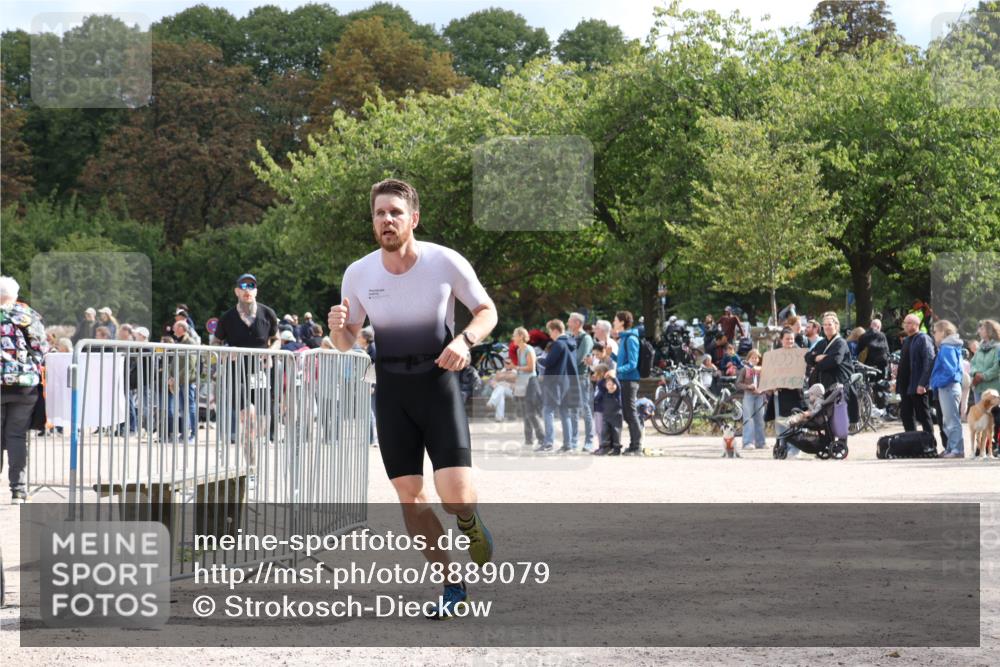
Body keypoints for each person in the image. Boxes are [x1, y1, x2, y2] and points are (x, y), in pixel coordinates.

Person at [327, 178, 497, 619]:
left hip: (438, 382)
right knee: (410, 497)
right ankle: (451, 582)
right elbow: (349, 341)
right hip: (392, 391)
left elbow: (486, 310)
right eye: (379, 213)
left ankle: (467, 520)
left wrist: (465, 340)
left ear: (413, 219)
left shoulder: (445, 262)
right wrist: (336, 329)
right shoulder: (359, 272)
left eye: (395, 213)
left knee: (455, 497)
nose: (386, 220)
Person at [212, 272, 280, 469]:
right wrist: (226, 351)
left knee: (260, 424)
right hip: (237, 374)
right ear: (236, 291)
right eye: (243, 286)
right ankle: (251, 467)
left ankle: (253, 463)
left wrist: (272, 351)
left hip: (262, 374)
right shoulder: (227, 317)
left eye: (251, 286)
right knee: (248, 417)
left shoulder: (268, 313)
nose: (247, 290)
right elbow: (216, 342)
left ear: (256, 291)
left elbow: (276, 339)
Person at [1, 276, 48, 504]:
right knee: (17, 436)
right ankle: (18, 490)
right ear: (16, 294)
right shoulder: (29, 315)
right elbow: (42, 346)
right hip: (25, 384)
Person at [538, 319, 580, 453]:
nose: (549, 334)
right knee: (564, 413)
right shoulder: (571, 343)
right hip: (568, 383)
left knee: (547, 411)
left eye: (550, 331)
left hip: (555, 383)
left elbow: (549, 362)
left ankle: (549, 443)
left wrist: (538, 358)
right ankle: (568, 444)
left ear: (556, 330)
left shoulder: (558, 344)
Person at [896, 313, 936, 436]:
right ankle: (912, 442)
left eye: (908, 323)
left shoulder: (923, 338)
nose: (905, 326)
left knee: (923, 415)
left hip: (918, 385)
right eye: (905, 323)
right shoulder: (907, 340)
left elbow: (929, 361)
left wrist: (923, 383)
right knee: (906, 415)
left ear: (916, 325)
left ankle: (930, 443)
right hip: (906, 386)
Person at [930, 320, 965, 458]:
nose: (933, 334)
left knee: (951, 420)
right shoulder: (950, 346)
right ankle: (951, 448)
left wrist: (936, 382)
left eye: (935, 331)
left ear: (943, 332)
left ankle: (957, 449)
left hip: (948, 387)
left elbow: (950, 371)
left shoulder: (947, 348)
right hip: (949, 387)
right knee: (947, 420)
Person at [611, 310, 643, 455]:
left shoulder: (631, 339)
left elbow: (632, 364)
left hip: (630, 381)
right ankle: (633, 445)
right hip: (624, 380)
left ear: (622, 322)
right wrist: (610, 354)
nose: (613, 322)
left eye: (615, 320)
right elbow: (622, 361)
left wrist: (617, 371)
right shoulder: (623, 338)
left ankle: (637, 446)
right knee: (628, 414)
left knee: (631, 413)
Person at [771, 327, 806, 457]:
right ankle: (782, 446)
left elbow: (802, 373)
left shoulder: (799, 353)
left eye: (792, 339)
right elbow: (771, 373)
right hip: (780, 393)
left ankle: (795, 449)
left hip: (795, 392)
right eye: (787, 339)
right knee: (781, 421)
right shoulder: (776, 354)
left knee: (795, 420)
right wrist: (773, 384)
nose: (790, 341)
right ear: (781, 340)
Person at [166, 319, 199, 444]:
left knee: (190, 407)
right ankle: (185, 434)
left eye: (175, 327)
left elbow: (190, 364)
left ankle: (194, 434)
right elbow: (173, 362)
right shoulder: (178, 342)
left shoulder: (190, 342)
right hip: (179, 380)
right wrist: (170, 376)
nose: (173, 329)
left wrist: (175, 378)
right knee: (182, 408)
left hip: (187, 380)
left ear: (182, 329)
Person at [970, 319, 1000, 449]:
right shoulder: (980, 348)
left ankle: (994, 445)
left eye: (981, 329)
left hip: (992, 388)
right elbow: (973, 364)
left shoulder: (998, 347)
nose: (979, 331)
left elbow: (996, 367)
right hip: (979, 388)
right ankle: (981, 447)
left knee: (995, 417)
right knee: (981, 418)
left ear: (989, 331)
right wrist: (975, 374)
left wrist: (983, 376)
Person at [567, 312, 595, 451]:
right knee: (573, 410)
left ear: (577, 323)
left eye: (570, 321)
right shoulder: (570, 337)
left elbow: (578, 358)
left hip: (581, 378)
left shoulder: (586, 338)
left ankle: (589, 441)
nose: (568, 323)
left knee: (585, 409)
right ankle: (573, 441)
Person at [511, 327, 543, 448]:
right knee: (525, 412)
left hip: (531, 382)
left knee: (531, 412)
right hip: (523, 383)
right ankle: (528, 439)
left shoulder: (529, 349)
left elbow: (531, 368)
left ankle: (542, 438)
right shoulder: (519, 350)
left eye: (514, 335)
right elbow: (521, 369)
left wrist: (516, 368)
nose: (513, 338)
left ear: (520, 336)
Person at [737, 349, 766, 449]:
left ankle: (760, 442)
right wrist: (748, 386)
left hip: (760, 395)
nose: (754, 359)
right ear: (748, 358)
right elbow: (738, 383)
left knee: (760, 419)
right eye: (752, 357)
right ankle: (747, 442)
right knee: (748, 418)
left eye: (756, 357)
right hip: (749, 395)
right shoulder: (745, 369)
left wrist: (763, 390)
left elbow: (766, 382)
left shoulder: (762, 370)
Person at [594, 372, 624, 456]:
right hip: (606, 417)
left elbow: (618, 384)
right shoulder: (604, 392)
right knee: (605, 432)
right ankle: (606, 448)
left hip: (616, 417)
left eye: (612, 384)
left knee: (616, 433)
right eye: (608, 384)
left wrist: (614, 378)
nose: (610, 386)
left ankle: (617, 449)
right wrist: (604, 377)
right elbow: (600, 385)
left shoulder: (617, 394)